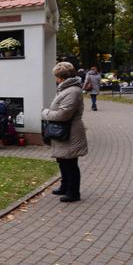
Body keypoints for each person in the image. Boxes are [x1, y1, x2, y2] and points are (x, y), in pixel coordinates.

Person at [41, 62, 88, 203]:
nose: (55, 79)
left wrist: (45, 113)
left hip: (70, 132)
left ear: (60, 77)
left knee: (70, 163)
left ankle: (73, 193)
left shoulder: (72, 91)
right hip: (63, 131)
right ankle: (65, 186)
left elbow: (63, 115)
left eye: (55, 76)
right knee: (62, 161)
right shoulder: (66, 89)